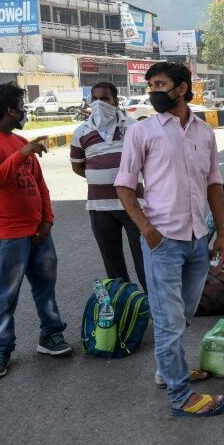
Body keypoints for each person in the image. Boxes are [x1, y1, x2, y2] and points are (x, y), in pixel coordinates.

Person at [114, 61, 224, 417]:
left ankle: (168, 369)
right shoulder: (142, 132)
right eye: (150, 85)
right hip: (163, 240)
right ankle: (180, 395)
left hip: (198, 238)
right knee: (168, 319)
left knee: (185, 312)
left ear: (182, 88)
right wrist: (147, 230)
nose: (152, 91)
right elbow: (124, 185)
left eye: (159, 84)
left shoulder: (203, 131)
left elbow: (213, 183)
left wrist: (221, 231)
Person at [0, 82, 72, 379]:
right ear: (8, 110)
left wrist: (47, 219)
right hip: (6, 234)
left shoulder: (17, 140)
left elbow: (40, 185)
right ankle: (1, 348)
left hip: (38, 231)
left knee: (45, 288)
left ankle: (51, 335)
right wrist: (21, 154)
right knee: (5, 295)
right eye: (19, 105)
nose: (23, 111)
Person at [71, 82, 146, 291]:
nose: (98, 103)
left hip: (134, 204)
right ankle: (127, 305)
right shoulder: (81, 131)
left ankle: (155, 305)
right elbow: (78, 167)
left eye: (103, 99)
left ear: (115, 101)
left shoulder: (133, 127)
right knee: (112, 262)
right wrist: (101, 177)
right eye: (94, 99)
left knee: (144, 258)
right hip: (100, 207)